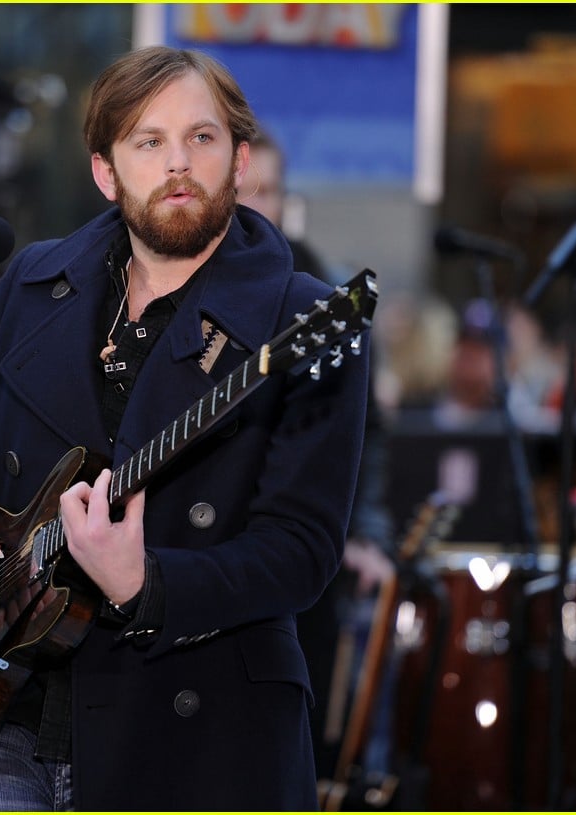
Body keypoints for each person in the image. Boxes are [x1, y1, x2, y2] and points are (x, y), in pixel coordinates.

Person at [0, 46, 370, 811]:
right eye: (149, 141)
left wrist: (149, 583)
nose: (178, 162)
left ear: (240, 161)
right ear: (107, 171)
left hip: (199, 738)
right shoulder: (34, 281)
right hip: (4, 715)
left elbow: (302, 552)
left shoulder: (300, 319)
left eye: (202, 139)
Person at [243, 130, 395, 780]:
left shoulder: (324, 300)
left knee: (299, 745)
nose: (253, 206)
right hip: (190, 564)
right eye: (240, 192)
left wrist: (364, 531)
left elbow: (371, 433)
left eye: (266, 192)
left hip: (302, 564)